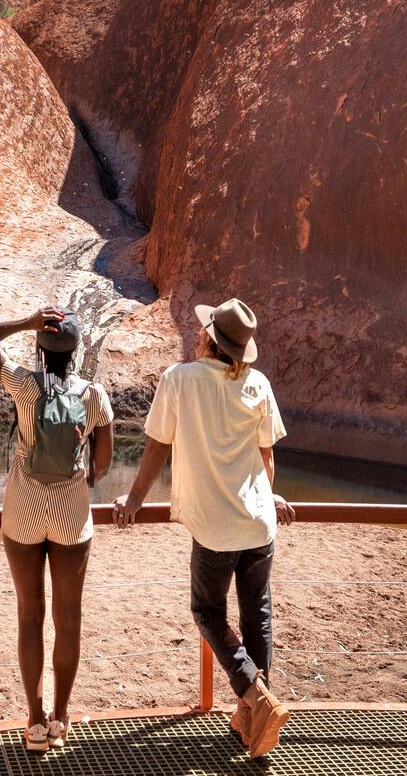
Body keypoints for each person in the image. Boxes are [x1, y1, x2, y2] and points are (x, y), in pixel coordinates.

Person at [114, 297, 294, 756]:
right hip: (259, 523)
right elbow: (266, 456)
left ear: (209, 339)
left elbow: (156, 445)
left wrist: (134, 500)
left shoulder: (180, 380)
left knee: (207, 612)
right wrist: (268, 495)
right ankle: (255, 715)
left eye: (202, 330)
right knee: (257, 615)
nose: (196, 333)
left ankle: (256, 698)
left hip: (216, 527)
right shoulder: (257, 383)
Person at [0, 306, 115, 753]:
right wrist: (81, 474)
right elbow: (103, 464)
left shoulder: (23, 385)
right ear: (74, 352)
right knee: (67, 619)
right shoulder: (93, 395)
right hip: (72, 513)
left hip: (23, 511)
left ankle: (34, 722)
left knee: (29, 615)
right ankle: (61, 717)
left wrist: (24, 323)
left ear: (41, 347)